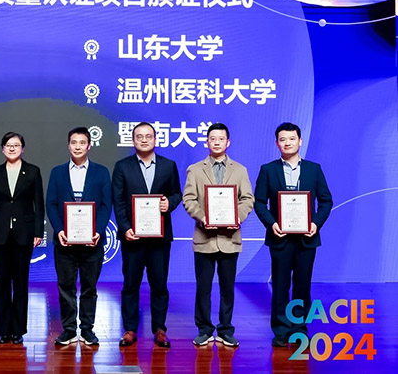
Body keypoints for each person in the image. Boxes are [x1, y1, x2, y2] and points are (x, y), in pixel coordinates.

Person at [254, 122, 333, 347]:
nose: (287, 143)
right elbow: (259, 202)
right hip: (280, 238)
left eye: (291, 139)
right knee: (280, 285)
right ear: (277, 143)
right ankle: (280, 330)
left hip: (307, 239)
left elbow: (326, 201)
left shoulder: (313, 169)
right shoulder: (268, 170)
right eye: (283, 139)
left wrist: (315, 224)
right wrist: (272, 224)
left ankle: (299, 328)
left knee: (302, 285)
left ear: (300, 141)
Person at [182, 123, 254, 347]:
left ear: (228, 142)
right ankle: (204, 329)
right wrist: (202, 217)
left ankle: (225, 329)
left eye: (221, 138)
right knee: (203, 288)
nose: (216, 142)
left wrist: (237, 217)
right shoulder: (195, 169)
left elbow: (247, 199)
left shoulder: (240, 170)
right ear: (207, 142)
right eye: (212, 138)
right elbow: (189, 199)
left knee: (227, 288)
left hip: (230, 238)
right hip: (204, 238)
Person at [112, 122, 182, 348]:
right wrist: (125, 228)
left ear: (155, 139)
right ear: (133, 140)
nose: (144, 140)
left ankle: (160, 329)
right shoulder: (122, 166)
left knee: (159, 285)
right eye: (139, 136)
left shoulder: (168, 165)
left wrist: (169, 204)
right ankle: (130, 329)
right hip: (133, 237)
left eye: (148, 136)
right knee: (130, 284)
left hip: (160, 238)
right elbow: (118, 201)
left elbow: (177, 193)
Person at [46, 127, 112, 346]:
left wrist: (98, 231)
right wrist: (60, 230)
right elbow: (51, 204)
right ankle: (68, 330)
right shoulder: (57, 172)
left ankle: (87, 329)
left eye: (82, 143)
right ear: (68, 145)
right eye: (74, 142)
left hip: (93, 242)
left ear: (89, 146)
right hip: (65, 242)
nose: (77, 146)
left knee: (89, 287)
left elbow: (106, 205)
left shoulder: (101, 172)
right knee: (65, 287)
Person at [0, 132, 44, 345]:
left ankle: (18, 330)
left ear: (22, 149)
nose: (12, 148)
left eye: (16, 145)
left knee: (20, 283)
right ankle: (3, 329)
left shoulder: (33, 171)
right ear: (2, 149)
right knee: (2, 283)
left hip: (23, 235)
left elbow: (39, 205)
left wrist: (38, 232)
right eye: (8, 145)